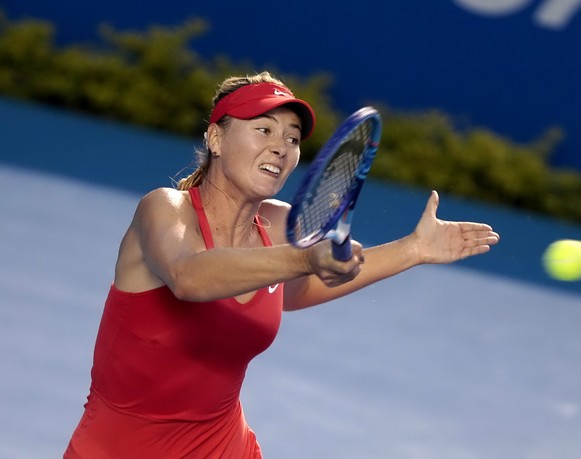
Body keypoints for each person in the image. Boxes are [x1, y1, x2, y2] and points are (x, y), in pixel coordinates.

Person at [64, 71, 500, 458]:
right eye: (264, 130)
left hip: (224, 447)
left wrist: (413, 249)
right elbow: (188, 276)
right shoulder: (163, 209)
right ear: (216, 139)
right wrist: (304, 257)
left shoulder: (280, 223)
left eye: (292, 139)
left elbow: (293, 290)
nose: (280, 148)